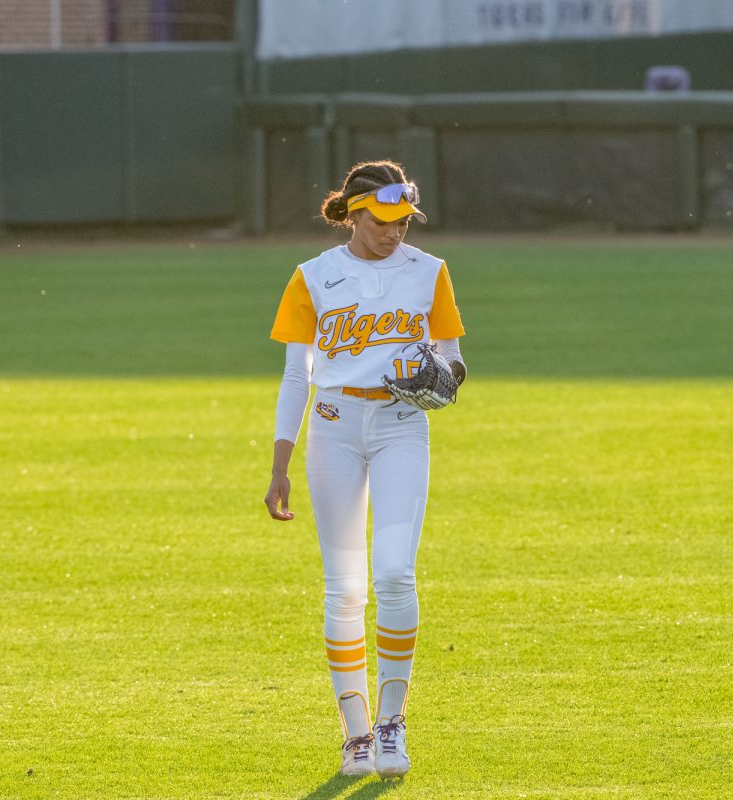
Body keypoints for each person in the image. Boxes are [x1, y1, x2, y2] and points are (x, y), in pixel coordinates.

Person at [263, 160, 466, 778]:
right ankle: (355, 734)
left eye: (403, 220)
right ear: (353, 214)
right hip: (334, 428)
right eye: (382, 220)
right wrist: (280, 461)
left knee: (397, 574)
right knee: (345, 585)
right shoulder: (314, 277)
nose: (395, 231)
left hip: (403, 427)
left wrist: (443, 382)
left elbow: (454, 363)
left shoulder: (429, 272)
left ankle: (392, 723)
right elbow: (298, 374)